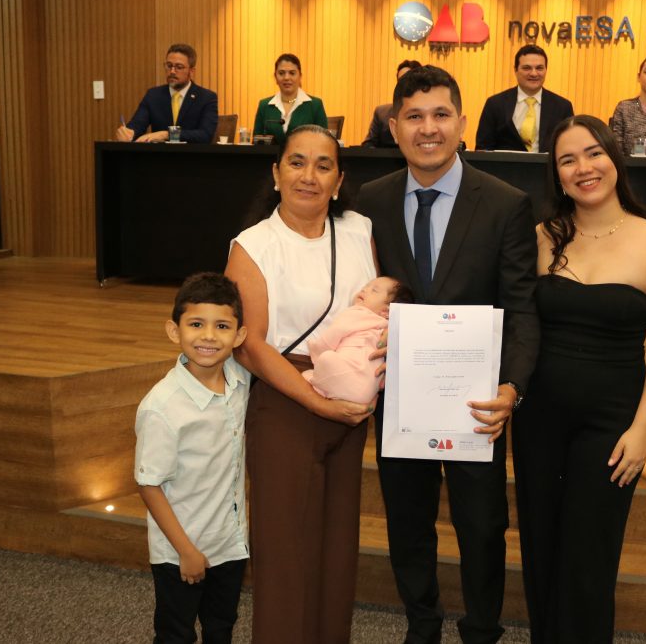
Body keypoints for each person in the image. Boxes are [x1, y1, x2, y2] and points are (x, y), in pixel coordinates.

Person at [356, 65, 540, 643]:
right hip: (401, 399)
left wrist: (512, 388)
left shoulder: (506, 203)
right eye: (413, 116)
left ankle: (482, 629)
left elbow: (522, 308)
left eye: (440, 114)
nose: (428, 128)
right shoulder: (371, 201)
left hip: (476, 404)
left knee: (482, 526)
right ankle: (422, 624)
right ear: (394, 127)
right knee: (407, 524)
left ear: (461, 123)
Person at [513, 115, 646, 643]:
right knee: (541, 544)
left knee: (590, 555)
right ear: (557, 175)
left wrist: (642, 431)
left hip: (612, 424)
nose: (583, 168)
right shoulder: (541, 238)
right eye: (567, 160)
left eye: (593, 153)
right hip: (539, 416)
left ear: (615, 158)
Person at [223, 124, 376, 643]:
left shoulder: (358, 230)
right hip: (286, 401)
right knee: (285, 553)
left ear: (339, 180)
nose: (309, 176)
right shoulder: (254, 245)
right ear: (275, 173)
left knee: (337, 549)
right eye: (296, 162)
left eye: (323, 165)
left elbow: (379, 311)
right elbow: (250, 343)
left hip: (349, 405)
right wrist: (317, 401)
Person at [134, 272, 251, 644]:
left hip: (229, 542)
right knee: (176, 633)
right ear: (174, 331)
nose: (209, 336)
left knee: (222, 626)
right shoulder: (162, 407)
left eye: (222, 326)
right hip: (181, 550)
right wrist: (187, 551)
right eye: (196, 324)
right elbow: (149, 485)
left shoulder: (240, 380)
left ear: (239, 335)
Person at [302, 276, 414, 404]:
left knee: (326, 358)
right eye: (365, 286)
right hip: (368, 392)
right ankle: (328, 390)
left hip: (347, 376)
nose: (364, 290)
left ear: (386, 312)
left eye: (374, 290)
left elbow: (333, 334)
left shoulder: (357, 313)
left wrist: (316, 350)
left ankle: (318, 385)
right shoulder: (386, 328)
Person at [475, 44, 574, 152]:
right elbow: (483, 148)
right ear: (515, 70)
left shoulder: (562, 107)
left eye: (539, 68)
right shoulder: (495, 104)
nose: (534, 73)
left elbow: (570, 147)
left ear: (546, 70)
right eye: (527, 68)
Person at [116, 43, 219, 143]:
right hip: (160, 154)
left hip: (191, 154)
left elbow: (205, 135)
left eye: (179, 67)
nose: (172, 71)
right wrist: (129, 133)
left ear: (191, 71)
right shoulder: (153, 95)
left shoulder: (206, 98)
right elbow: (137, 125)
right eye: (169, 66)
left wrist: (167, 134)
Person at [252, 53, 329, 146]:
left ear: (300, 76)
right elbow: (256, 143)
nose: (286, 77)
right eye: (281, 73)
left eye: (292, 73)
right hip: (271, 156)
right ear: (275, 77)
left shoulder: (315, 105)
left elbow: (324, 143)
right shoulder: (264, 106)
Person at [362, 59, 423, 148]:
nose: (403, 85)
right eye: (400, 81)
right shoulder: (381, 113)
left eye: (408, 80)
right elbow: (368, 145)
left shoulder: (428, 113)